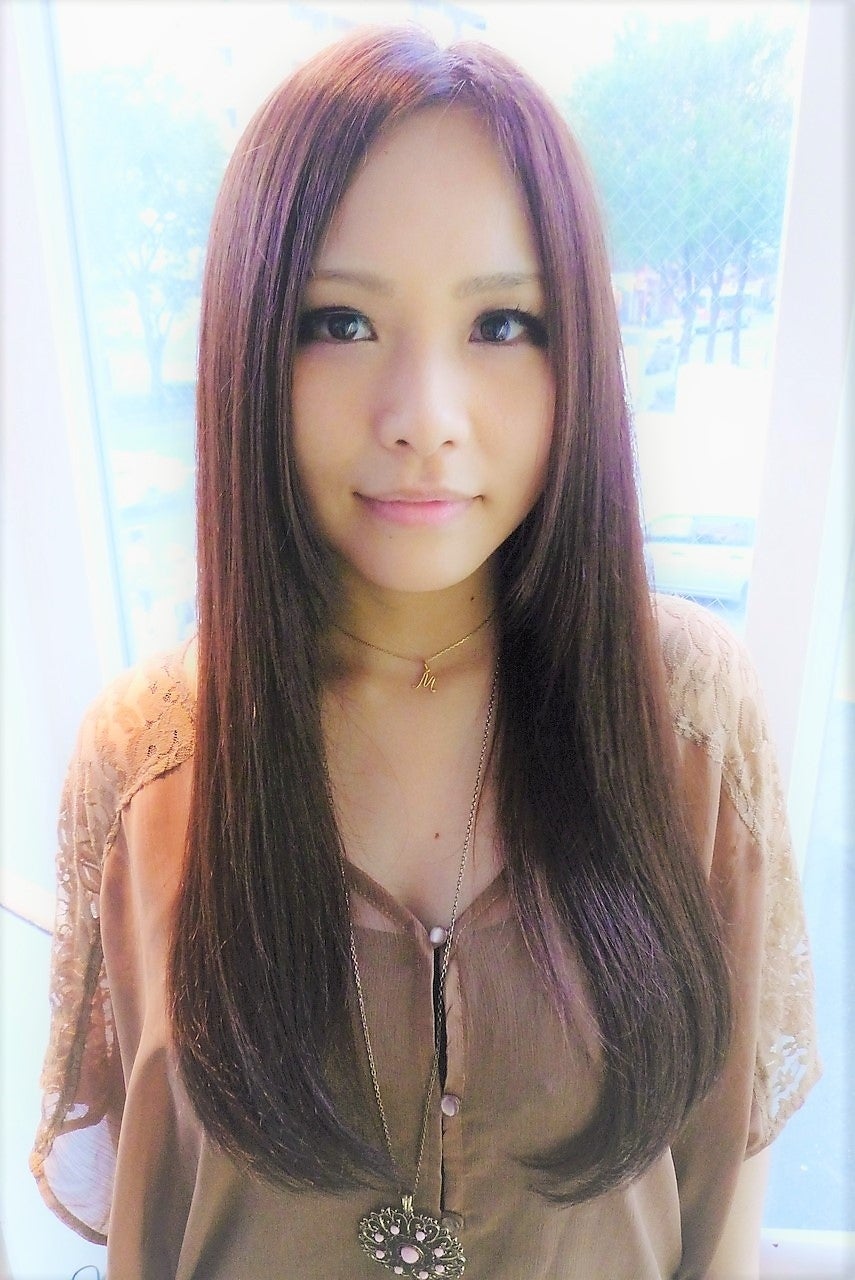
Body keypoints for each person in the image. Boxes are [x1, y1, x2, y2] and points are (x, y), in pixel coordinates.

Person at [30, 27, 820, 1280]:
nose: (424, 418)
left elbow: (722, 1192)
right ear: (249, 344)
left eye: (502, 322)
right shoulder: (149, 753)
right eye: (340, 321)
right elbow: (151, 1198)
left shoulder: (687, 716)